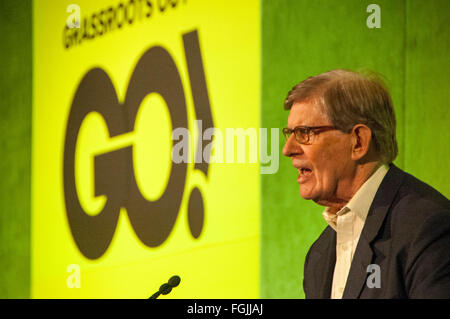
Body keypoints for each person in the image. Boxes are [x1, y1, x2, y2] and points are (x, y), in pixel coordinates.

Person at [282, 69, 450, 299]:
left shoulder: (428, 228)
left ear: (358, 141)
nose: (287, 150)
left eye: (304, 133)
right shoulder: (318, 257)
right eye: (289, 134)